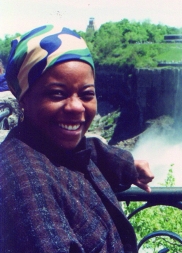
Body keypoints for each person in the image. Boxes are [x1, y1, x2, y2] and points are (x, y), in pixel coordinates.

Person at [0, 25, 154, 252]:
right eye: (57, 94)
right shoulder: (27, 184)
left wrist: (127, 165)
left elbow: (84, 152)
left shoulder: (47, 145)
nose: (76, 107)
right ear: (23, 98)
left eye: (87, 94)